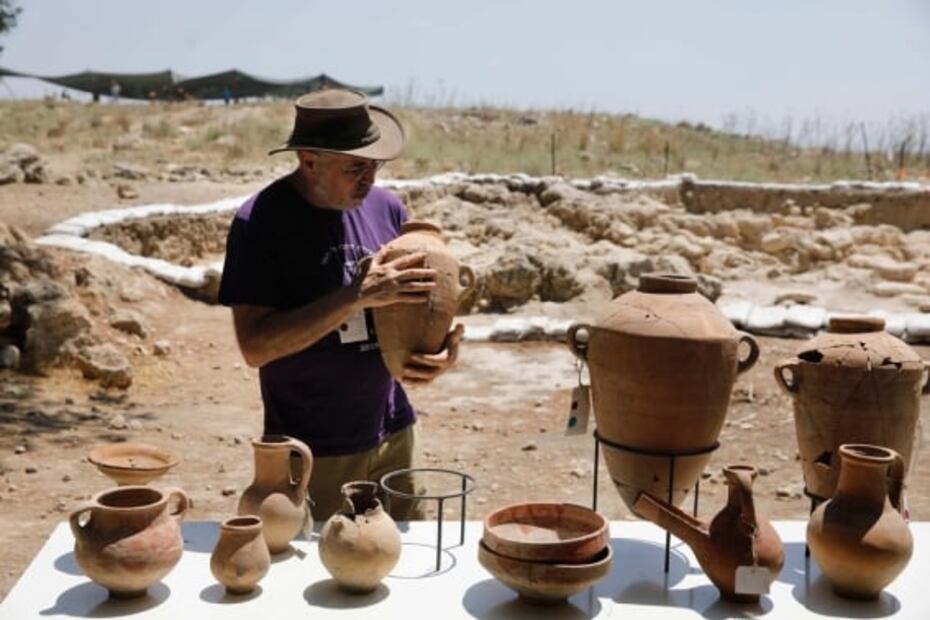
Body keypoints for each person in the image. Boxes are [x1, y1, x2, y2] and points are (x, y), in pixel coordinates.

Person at [218, 89, 463, 521]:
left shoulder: (386, 209)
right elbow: (255, 346)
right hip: (314, 449)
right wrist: (356, 296)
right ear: (309, 161)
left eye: (374, 166)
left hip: (395, 433)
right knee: (323, 560)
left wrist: (440, 353)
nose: (369, 180)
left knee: (411, 553)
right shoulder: (260, 222)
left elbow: (411, 306)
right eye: (355, 168)